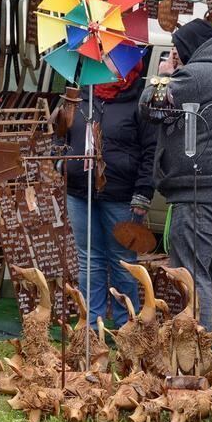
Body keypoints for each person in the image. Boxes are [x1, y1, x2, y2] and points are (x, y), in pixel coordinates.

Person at [139, 19, 212, 352]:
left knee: (191, 274)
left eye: (176, 51)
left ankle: (195, 351)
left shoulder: (197, 76)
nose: (174, 57)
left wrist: (162, 73)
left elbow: (148, 104)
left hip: (199, 194)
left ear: (189, 50)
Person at [64, 61, 157, 328]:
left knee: (123, 261)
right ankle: (91, 325)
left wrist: (143, 192)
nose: (105, 65)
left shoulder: (140, 100)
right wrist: (64, 157)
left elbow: (152, 150)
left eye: (112, 60)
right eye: (102, 59)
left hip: (122, 194)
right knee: (89, 260)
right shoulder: (84, 95)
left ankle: (127, 324)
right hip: (80, 192)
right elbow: (66, 134)